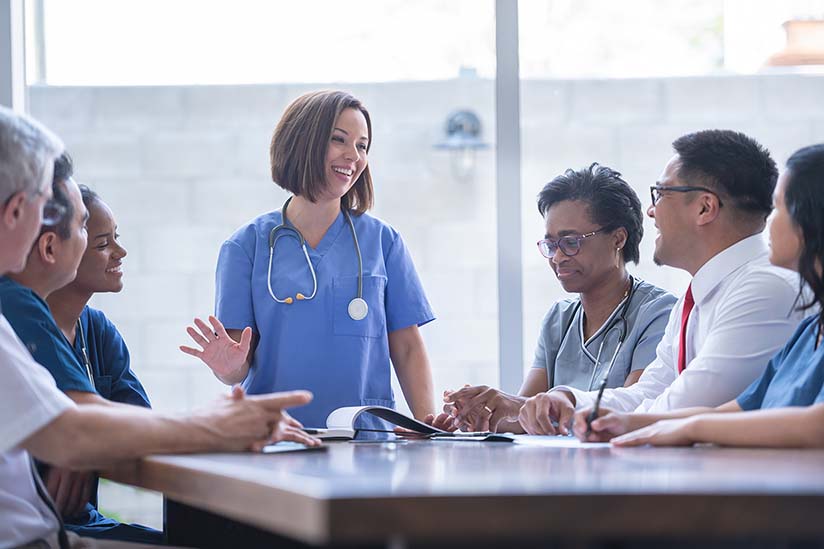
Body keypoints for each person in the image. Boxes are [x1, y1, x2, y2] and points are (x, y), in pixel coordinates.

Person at [0, 105, 318, 549]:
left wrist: (86, 434)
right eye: (46, 212)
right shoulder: (10, 304)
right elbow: (72, 431)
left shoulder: (91, 329)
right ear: (17, 212)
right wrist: (222, 423)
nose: (45, 232)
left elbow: (81, 425)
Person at [519, 129, 804, 436]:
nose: (650, 211)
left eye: (662, 194)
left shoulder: (764, 290)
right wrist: (571, 400)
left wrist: (598, 419)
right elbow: (650, 391)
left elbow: (684, 405)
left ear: (705, 207)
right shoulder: (698, 296)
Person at [181, 90, 436, 431]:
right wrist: (226, 368)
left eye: (362, 146)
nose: (353, 156)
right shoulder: (246, 246)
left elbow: (406, 348)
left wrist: (429, 427)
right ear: (303, 141)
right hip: (276, 437)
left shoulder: (383, 242)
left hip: (364, 439)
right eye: (339, 140)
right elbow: (237, 364)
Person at [574, 143, 824, 448]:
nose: (769, 220)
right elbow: (737, 411)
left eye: (780, 206)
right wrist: (621, 420)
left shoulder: (767, 289)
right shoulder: (807, 333)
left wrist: (691, 427)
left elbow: (815, 424)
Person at [437, 164, 676, 433]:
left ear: (618, 239)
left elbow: (636, 409)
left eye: (571, 242)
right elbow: (526, 414)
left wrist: (513, 406)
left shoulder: (660, 314)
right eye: (551, 245)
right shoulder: (559, 319)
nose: (558, 257)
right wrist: (481, 413)